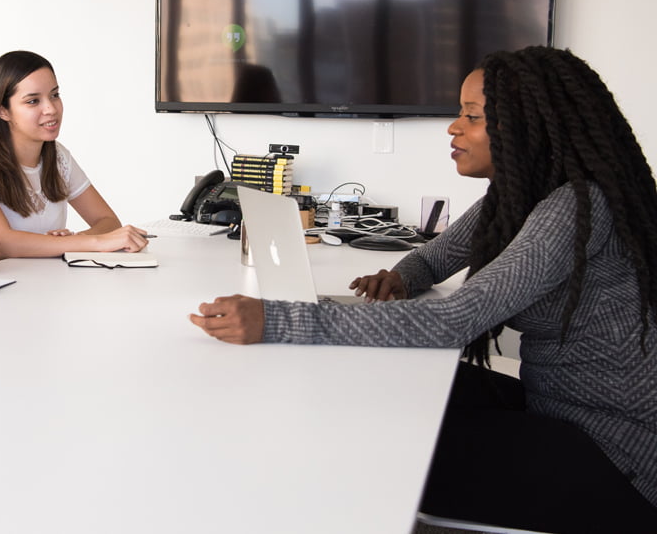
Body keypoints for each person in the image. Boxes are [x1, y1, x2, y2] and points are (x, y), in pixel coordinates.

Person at [189, 47, 657, 532]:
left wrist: (278, 319)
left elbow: (454, 320)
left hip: (616, 454)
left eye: (471, 116)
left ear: (528, 126)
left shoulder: (575, 207)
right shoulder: (518, 199)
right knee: (386, 388)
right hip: (557, 409)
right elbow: (434, 257)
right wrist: (403, 278)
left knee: (373, 445)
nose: (453, 127)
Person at [0, 50, 148, 258]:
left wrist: (68, 242)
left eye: (54, 95)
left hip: (49, 283)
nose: (51, 109)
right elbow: (0, 242)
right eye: (33, 101)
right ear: (3, 111)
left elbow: (108, 222)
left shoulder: (58, 156)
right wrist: (83, 242)